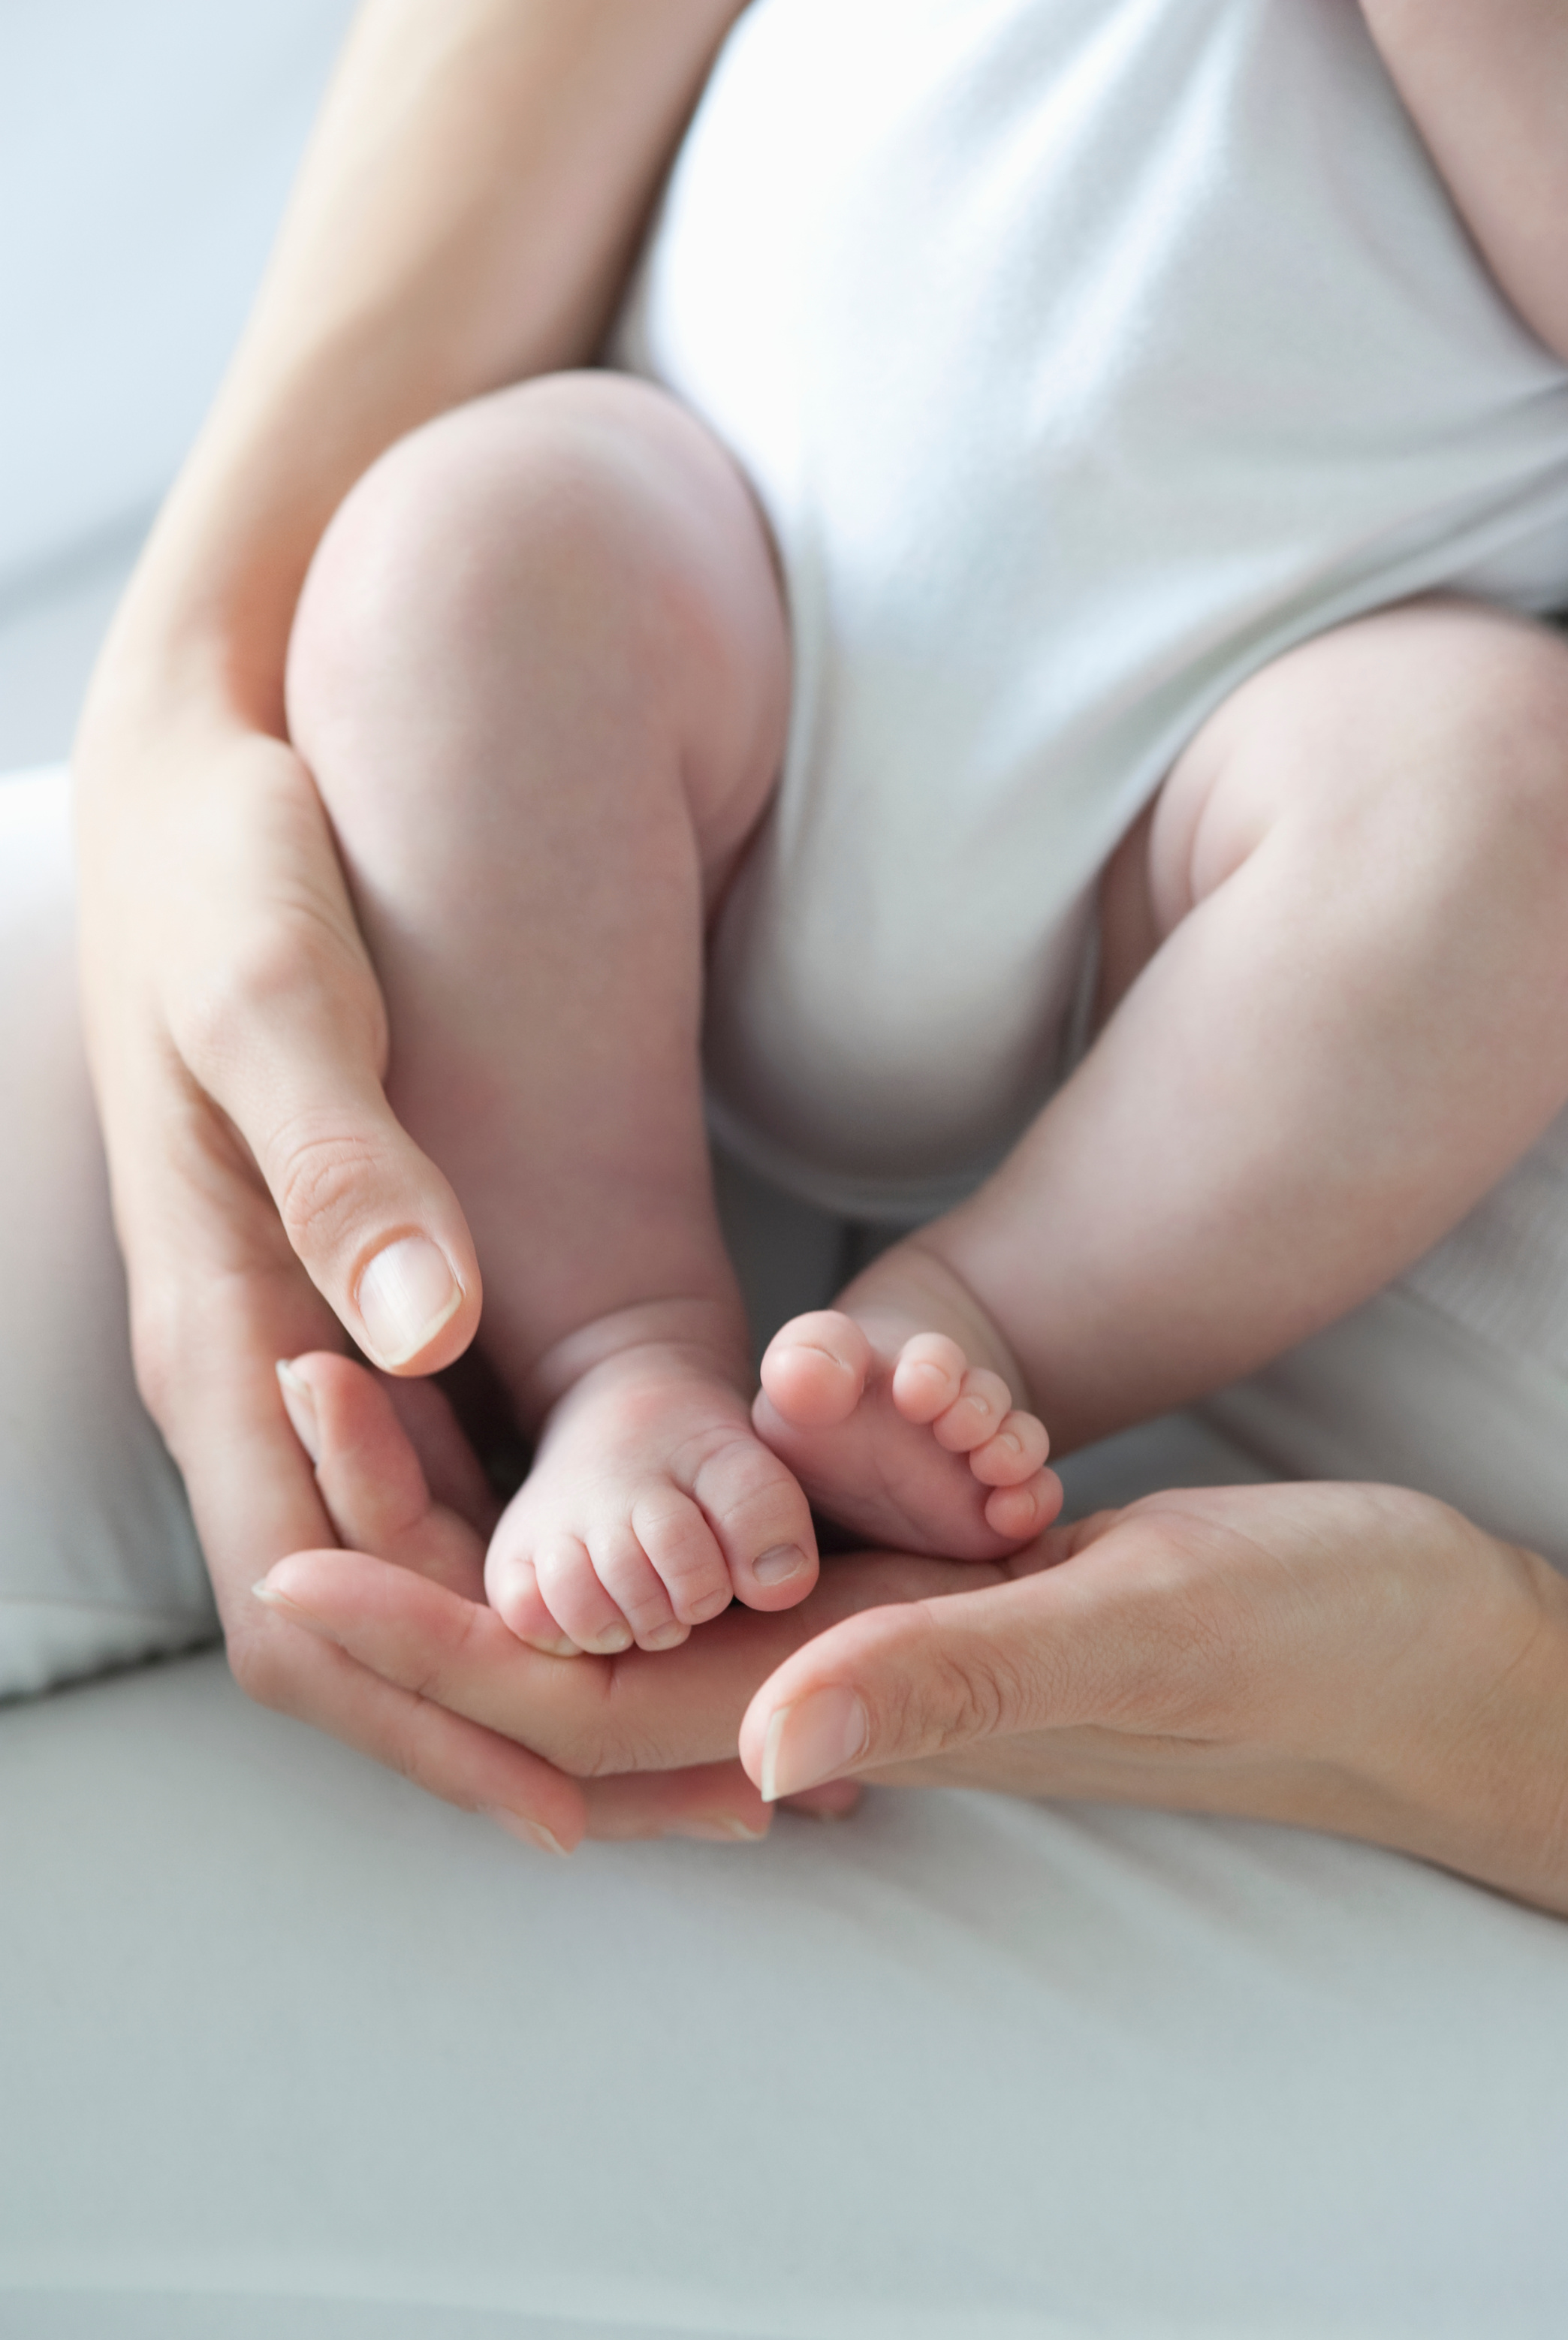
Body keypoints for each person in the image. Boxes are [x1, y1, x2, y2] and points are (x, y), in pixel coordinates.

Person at [45, 0, 1567, 1903]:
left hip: (1230, 769)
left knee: (1504, 806)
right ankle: (621, 1352)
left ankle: (972, 1337)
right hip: (720, 581)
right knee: (455, 554)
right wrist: (179, 680)